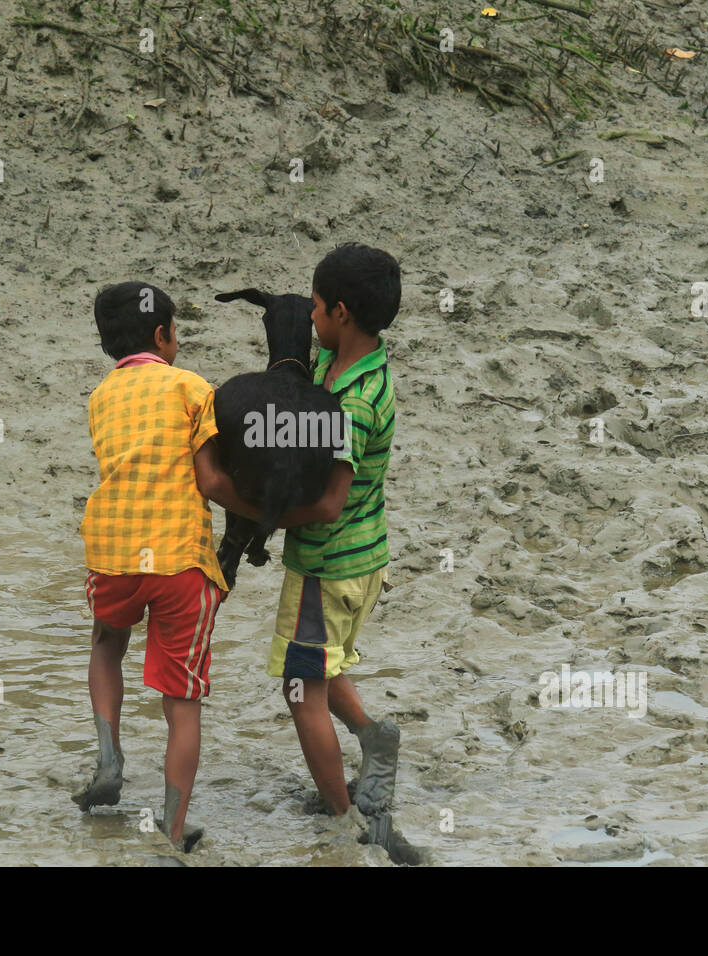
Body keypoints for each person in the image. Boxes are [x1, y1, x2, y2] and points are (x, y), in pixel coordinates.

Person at [74, 280, 257, 852]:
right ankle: (171, 835)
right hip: (179, 558)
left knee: (107, 643)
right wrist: (263, 510)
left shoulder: (100, 396)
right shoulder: (192, 387)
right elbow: (211, 480)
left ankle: (109, 759)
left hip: (113, 552)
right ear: (163, 334)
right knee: (182, 702)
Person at [268, 245, 402, 846]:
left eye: (317, 307)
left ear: (341, 312)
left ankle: (340, 814)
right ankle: (374, 737)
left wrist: (247, 505)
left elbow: (327, 503)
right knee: (324, 667)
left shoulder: (351, 405)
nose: (312, 318)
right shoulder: (356, 366)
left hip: (326, 564)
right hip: (363, 561)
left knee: (300, 692)